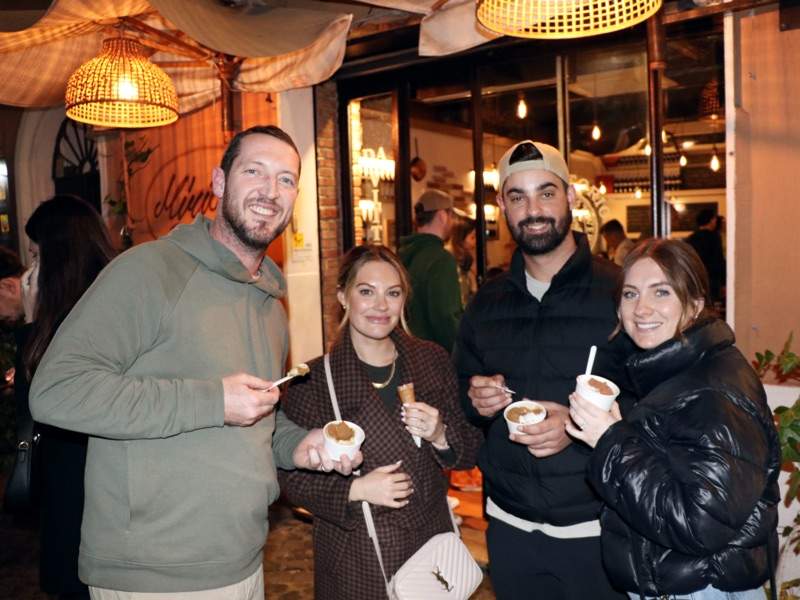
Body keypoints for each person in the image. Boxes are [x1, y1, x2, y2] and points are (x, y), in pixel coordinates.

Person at [29, 125, 360, 599]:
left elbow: (256, 413)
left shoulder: (270, 303)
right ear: (220, 182)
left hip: (243, 558)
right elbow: (56, 391)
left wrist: (298, 444)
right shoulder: (149, 271)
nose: (271, 191)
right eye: (255, 172)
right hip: (154, 573)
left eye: (286, 180)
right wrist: (212, 399)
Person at [453, 140, 631, 600]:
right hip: (510, 530)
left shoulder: (619, 292)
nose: (533, 209)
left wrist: (576, 426)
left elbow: (659, 405)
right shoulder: (486, 302)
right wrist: (475, 399)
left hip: (598, 528)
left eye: (546, 192)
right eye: (517, 196)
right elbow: (461, 393)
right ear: (501, 208)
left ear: (571, 197)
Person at [568, 238, 780, 600]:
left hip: (703, 589)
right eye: (630, 294)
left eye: (661, 292)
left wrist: (611, 440)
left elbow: (699, 525)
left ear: (695, 305)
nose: (642, 309)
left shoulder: (713, 389)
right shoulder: (674, 371)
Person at [278, 244, 482, 600]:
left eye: (393, 293)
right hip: (357, 557)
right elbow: (288, 478)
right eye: (366, 292)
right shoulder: (312, 380)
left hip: (430, 550)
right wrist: (356, 490)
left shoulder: (431, 360)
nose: (381, 306)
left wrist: (440, 435)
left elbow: (468, 449)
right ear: (343, 296)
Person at [23, 195, 117, 600]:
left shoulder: (74, 321)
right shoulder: (111, 300)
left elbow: (34, 406)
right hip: (91, 486)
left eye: (36, 256)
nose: (30, 271)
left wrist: (30, 322)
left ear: (59, 258)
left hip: (81, 489)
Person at [398, 189, 463, 352]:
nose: (452, 222)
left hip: (405, 354)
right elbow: (446, 319)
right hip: (434, 360)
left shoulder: (400, 256)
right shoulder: (441, 259)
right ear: (442, 216)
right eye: (451, 216)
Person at [686, 208, 725, 305]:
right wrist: (724, 282)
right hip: (712, 279)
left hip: (696, 278)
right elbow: (719, 260)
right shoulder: (714, 237)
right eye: (714, 219)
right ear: (711, 220)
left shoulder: (691, 238)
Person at [448, 214, 478, 307]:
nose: (475, 242)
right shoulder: (450, 261)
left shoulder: (465, 261)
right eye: (472, 237)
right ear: (460, 238)